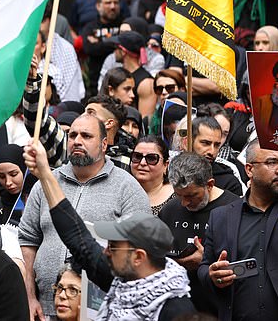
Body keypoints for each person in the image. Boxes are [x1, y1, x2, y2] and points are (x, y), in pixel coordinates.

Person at [23, 141, 195, 320]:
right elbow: (76, 235)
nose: (105, 251)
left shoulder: (175, 309)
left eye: (113, 247)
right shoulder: (120, 279)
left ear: (138, 257)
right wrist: (44, 174)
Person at [18, 112, 150, 318]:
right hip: (45, 309)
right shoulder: (45, 183)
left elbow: (139, 254)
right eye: (72, 135)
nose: (77, 141)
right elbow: (28, 240)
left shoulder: (128, 188)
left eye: (86, 136)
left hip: (99, 311)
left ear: (104, 144)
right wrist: (29, 296)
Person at [199, 142, 278, 320]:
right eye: (271, 162)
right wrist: (212, 275)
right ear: (249, 169)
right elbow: (205, 266)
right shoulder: (221, 216)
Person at [159, 152, 240, 313]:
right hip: (177, 308)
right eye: (178, 195)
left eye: (191, 195)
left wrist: (207, 261)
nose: (184, 203)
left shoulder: (235, 210)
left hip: (218, 308)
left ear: (209, 184)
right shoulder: (170, 209)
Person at [184, 116, 244, 196]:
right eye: (205, 143)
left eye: (216, 145)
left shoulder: (229, 183)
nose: (212, 151)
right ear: (187, 142)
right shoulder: (171, 171)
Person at [81, 0, 123, 96]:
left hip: (122, 83)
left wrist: (101, 43)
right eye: (108, 3)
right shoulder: (90, 27)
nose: (113, 6)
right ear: (98, 6)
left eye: (116, 3)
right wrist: (115, 43)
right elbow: (89, 49)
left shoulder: (125, 24)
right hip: (96, 85)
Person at [130, 135, 174, 215]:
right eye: (137, 156)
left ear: (165, 165)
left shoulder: (178, 197)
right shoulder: (120, 192)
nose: (142, 163)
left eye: (151, 158)